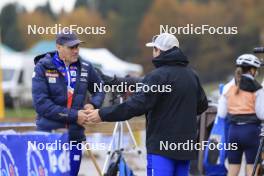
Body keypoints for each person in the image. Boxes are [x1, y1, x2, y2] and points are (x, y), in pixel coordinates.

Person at [86, 33, 208, 176]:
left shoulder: (156, 76)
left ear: (158, 50)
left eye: (153, 49)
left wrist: (102, 114)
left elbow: (135, 106)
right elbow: (202, 105)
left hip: (161, 147)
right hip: (185, 147)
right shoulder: (192, 75)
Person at [32, 30, 105, 175]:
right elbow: (41, 105)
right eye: (71, 47)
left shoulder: (85, 66)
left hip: (75, 136)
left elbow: (100, 87)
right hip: (50, 136)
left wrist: (94, 104)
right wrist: (74, 115)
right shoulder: (43, 66)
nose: (76, 50)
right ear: (58, 47)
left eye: (77, 46)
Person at [217, 54, 264, 176]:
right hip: (251, 132)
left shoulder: (228, 87)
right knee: (251, 171)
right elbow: (261, 114)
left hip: (233, 132)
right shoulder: (257, 88)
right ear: (253, 70)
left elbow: (221, 113)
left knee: (232, 171)